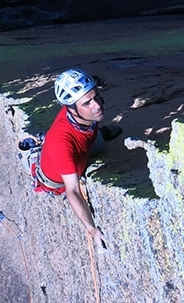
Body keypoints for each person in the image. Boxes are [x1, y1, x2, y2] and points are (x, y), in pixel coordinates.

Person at [32, 68, 121, 249]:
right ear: (71, 109)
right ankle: (101, 136)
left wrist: (98, 82)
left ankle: (100, 135)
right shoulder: (62, 143)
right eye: (87, 103)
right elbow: (72, 190)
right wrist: (92, 229)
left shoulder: (78, 111)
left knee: (97, 141)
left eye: (96, 97)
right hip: (63, 169)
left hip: (81, 146)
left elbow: (95, 84)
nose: (96, 105)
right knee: (98, 144)